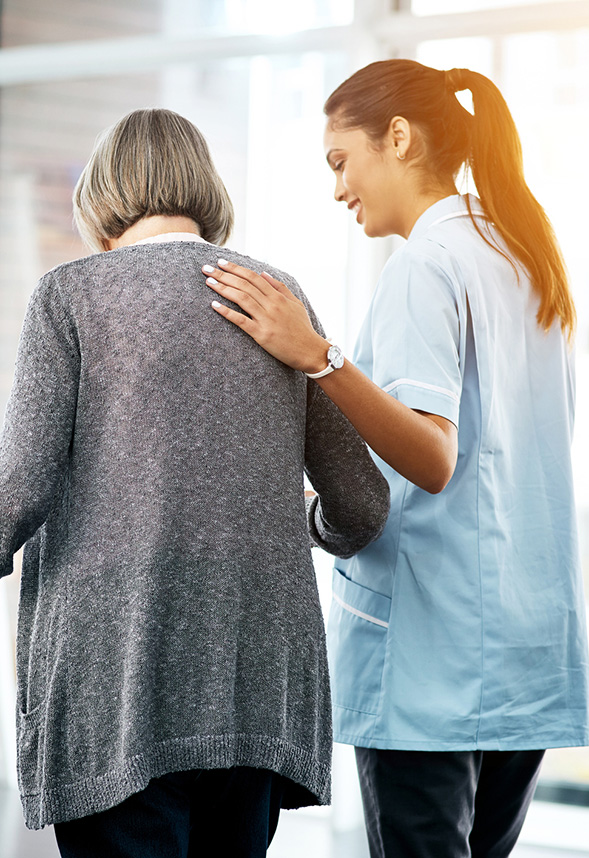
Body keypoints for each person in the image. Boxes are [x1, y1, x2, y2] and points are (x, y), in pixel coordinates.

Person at [202, 60, 589, 858]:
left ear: (401, 139)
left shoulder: (426, 264)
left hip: (434, 655)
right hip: (520, 647)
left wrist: (316, 357)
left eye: (340, 160)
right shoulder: (523, 256)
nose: (338, 189)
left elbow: (435, 456)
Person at [0, 107, 390, 858]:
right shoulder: (278, 297)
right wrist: (303, 519)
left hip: (119, 677)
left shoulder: (72, 295)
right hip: (255, 679)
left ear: (102, 197)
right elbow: (363, 506)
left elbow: (19, 489)